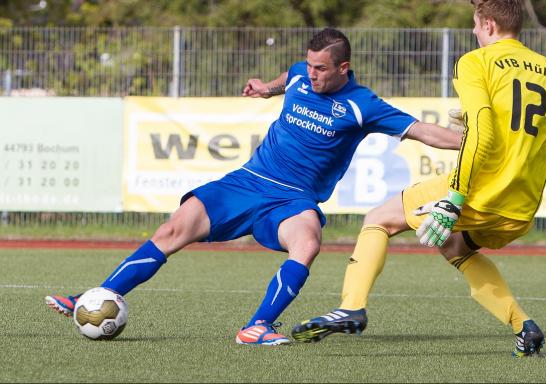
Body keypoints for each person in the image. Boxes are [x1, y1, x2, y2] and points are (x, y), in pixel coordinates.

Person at [45, 28, 461, 346]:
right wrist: (265, 89)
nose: (312, 73)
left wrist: (469, 142)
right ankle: (97, 295)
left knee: (309, 242)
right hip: (248, 181)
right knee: (172, 230)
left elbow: (424, 131)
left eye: (321, 68)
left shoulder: (362, 105)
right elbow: (289, 77)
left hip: (293, 199)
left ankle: (257, 325)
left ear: (343, 69)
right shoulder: (301, 74)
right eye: (309, 64)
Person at [292, 0, 546, 357]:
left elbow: (482, 138)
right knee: (454, 247)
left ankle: (351, 307)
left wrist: (454, 198)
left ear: (488, 25)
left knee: (379, 219)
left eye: (474, 24)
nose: (473, 32)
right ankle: (524, 327)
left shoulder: (476, 62)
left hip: (478, 193)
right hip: (520, 210)